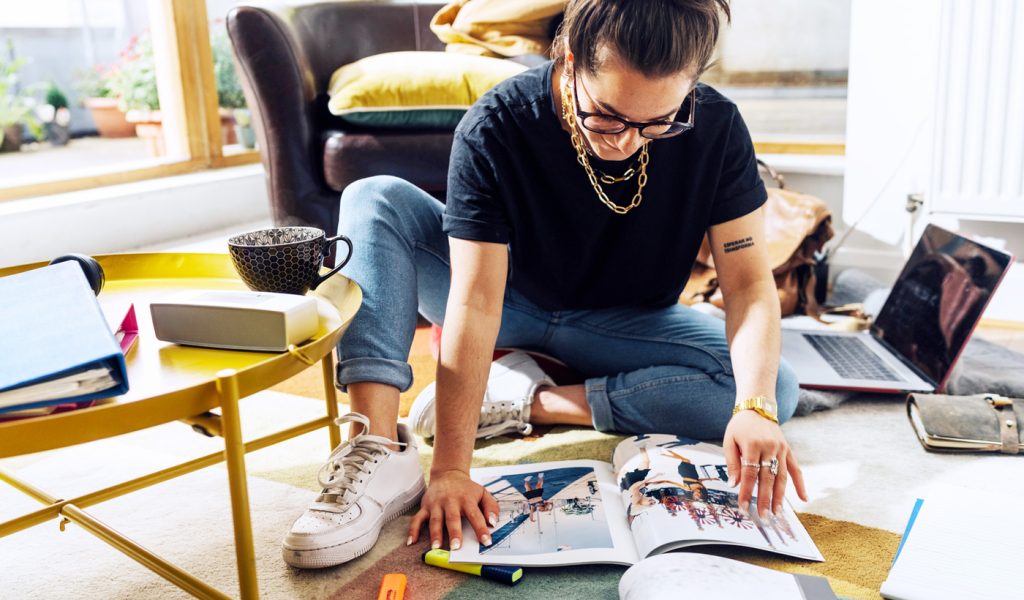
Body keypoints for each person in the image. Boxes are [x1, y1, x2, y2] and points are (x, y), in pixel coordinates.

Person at [281, 0, 807, 569]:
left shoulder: (719, 126)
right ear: (569, 58)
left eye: (658, 123)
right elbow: (476, 300)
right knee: (373, 196)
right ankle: (379, 450)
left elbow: (750, 285)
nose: (628, 141)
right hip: (506, 301)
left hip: (624, 321)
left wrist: (753, 408)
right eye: (607, 116)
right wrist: (452, 470)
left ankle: (529, 400)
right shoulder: (497, 124)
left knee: (773, 388)